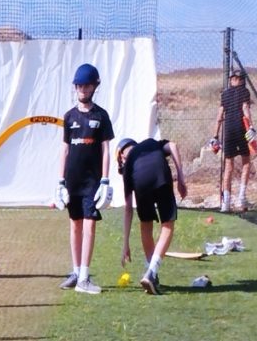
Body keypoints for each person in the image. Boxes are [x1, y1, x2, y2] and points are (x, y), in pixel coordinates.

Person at [55, 63, 114, 294]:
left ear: (94, 87)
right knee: (75, 225)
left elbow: (106, 150)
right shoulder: (69, 117)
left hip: (92, 181)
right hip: (73, 180)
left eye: (86, 85)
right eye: (79, 85)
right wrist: (60, 181)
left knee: (90, 224)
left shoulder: (101, 116)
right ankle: (76, 271)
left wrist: (106, 180)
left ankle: (85, 277)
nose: (82, 89)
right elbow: (65, 150)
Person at [116, 138, 188, 295]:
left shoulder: (128, 166)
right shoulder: (151, 143)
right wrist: (180, 177)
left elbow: (128, 208)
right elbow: (173, 145)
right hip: (159, 173)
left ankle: (152, 272)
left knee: (146, 225)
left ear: (122, 155)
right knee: (168, 223)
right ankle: (152, 272)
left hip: (139, 181)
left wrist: (126, 244)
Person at [211, 68, 255, 213]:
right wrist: (251, 127)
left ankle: (226, 203)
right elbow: (245, 109)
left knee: (228, 165)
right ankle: (241, 198)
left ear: (231, 79)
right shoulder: (245, 92)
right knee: (246, 163)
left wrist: (215, 137)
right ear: (242, 80)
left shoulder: (225, 94)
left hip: (228, 131)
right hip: (241, 130)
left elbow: (219, 116)